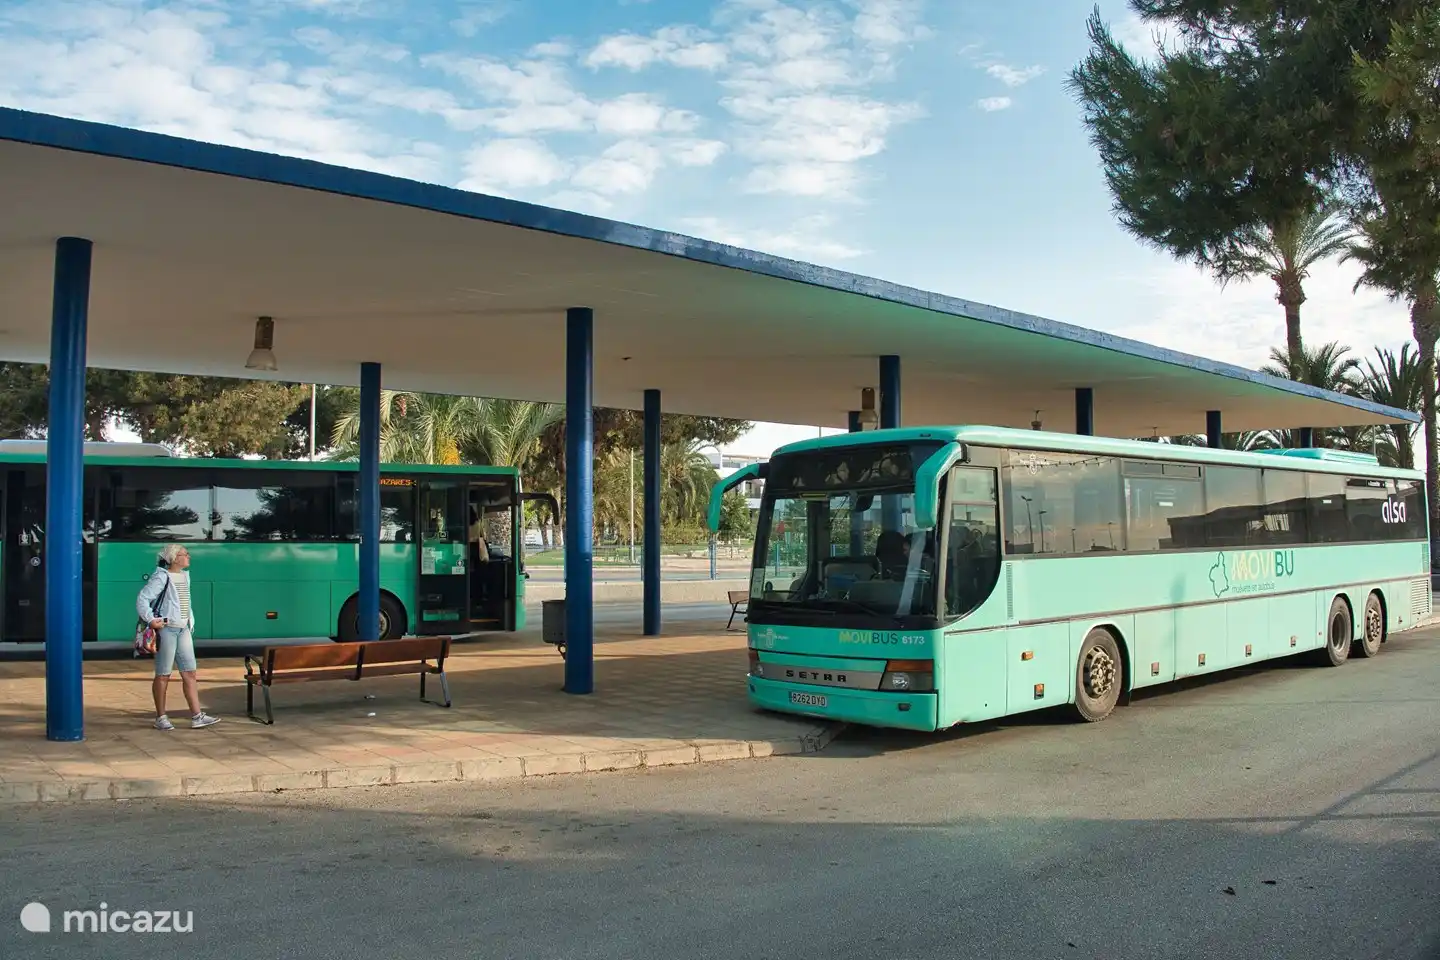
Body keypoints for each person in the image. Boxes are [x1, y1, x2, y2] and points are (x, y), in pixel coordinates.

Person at [137, 544, 219, 730]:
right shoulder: (161, 577)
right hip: (167, 630)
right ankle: (161, 718)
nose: (189, 557)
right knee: (163, 674)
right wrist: (151, 620)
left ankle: (197, 716)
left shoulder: (184, 576)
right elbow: (142, 598)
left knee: (190, 673)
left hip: (183, 630)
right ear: (174, 558)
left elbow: (185, 603)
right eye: (185, 554)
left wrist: (190, 623)